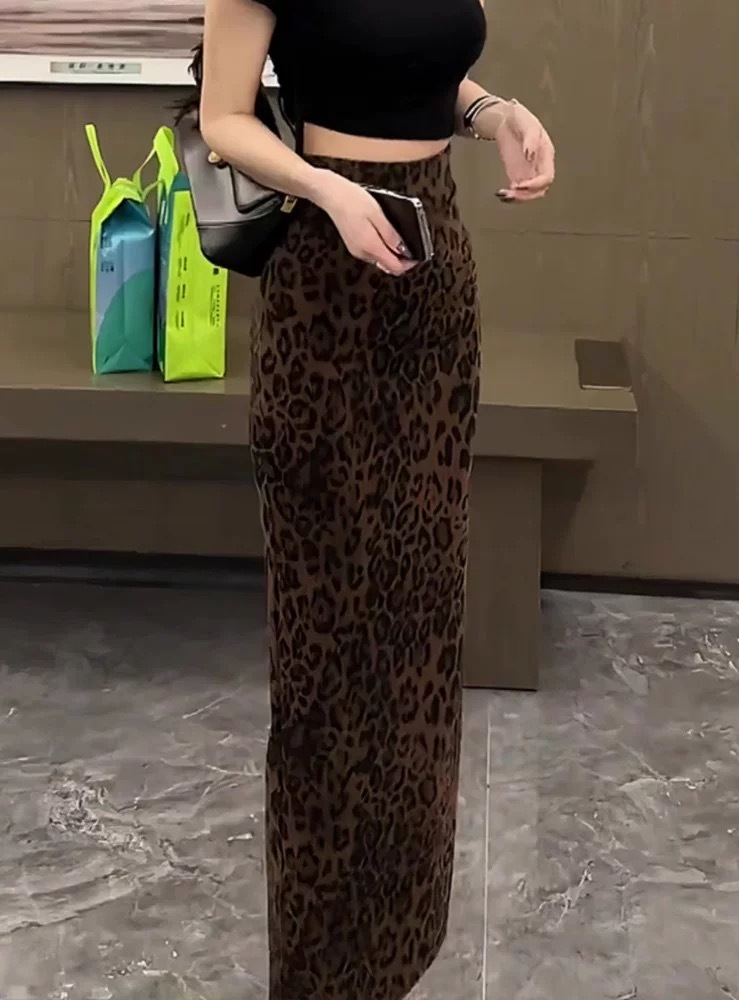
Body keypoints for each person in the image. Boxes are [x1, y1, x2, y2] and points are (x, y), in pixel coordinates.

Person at [195, 1, 555, 997]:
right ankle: (318, 969)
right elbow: (223, 118)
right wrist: (328, 191)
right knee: (328, 652)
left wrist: (495, 114)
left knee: (419, 631)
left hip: (432, 286)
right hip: (327, 295)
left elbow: (414, 62)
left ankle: (399, 945)